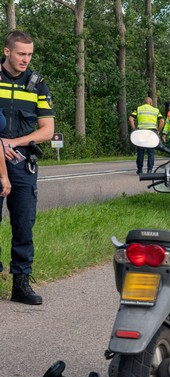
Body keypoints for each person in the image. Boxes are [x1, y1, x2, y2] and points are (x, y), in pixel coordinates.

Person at [0, 30, 55, 305]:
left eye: (30, 54)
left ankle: (21, 283)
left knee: (24, 224)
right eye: (21, 53)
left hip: (22, 163)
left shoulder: (37, 84)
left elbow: (47, 130)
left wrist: (13, 142)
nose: (26, 59)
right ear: (7, 51)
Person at [128, 96, 163, 174]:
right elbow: (162, 121)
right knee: (151, 152)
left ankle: (140, 169)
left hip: (141, 132)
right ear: (151, 103)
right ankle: (149, 170)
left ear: (144, 102)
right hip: (151, 132)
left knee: (140, 151)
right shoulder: (156, 110)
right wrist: (158, 131)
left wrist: (134, 129)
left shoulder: (139, 109)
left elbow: (131, 119)